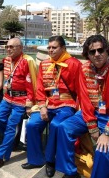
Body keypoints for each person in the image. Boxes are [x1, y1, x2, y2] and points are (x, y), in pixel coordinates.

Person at [55, 35, 109, 178]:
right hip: (92, 114)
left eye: (100, 50)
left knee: (103, 149)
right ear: (88, 55)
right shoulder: (84, 68)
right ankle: (70, 172)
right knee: (63, 127)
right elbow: (84, 99)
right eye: (92, 52)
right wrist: (92, 126)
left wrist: (107, 133)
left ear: (107, 50)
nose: (97, 54)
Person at [21, 36, 82, 171]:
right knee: (32, 125)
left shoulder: (74, 64)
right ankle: (36, 159)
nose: (50, 50)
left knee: (56, 125)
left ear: (63, 48)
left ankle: (50, 160)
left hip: (67, 104)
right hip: (47, 104)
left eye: (54, 47)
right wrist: (42, 106)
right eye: (49, 47)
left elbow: (80, 89)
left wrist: (79, 109)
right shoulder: (44, 64)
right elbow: (40, 88)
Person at [0, 37, 37, 173]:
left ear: (20, 48)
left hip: (21, 100)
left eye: (12, 47)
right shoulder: (5, 60)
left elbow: (32, 82)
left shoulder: (27, 60)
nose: (8, 49)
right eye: (7, 47)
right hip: (7, 98)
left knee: (10, 127)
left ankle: (0, 157)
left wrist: (29, 103)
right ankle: (13, 138)